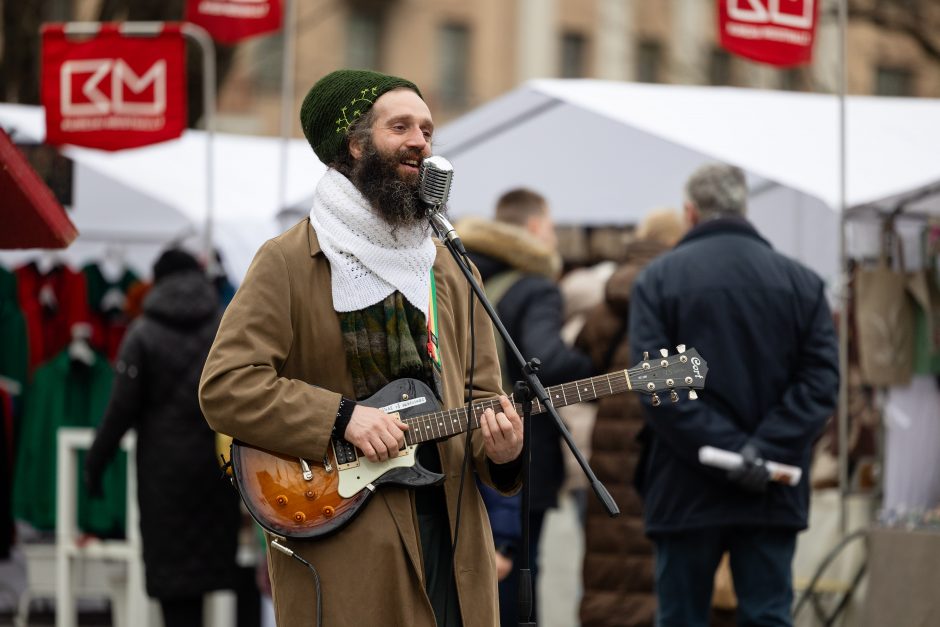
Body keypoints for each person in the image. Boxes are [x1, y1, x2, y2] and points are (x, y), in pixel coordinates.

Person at [199, 69, 524, 627]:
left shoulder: (449, 265)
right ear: (354, 145)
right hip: (341, 535)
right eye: (401, 126)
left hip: (450, 534)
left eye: (426, 129)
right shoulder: (288, 260)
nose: (421, 141)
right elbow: (227, 386)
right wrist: (341, 417)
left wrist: (504, 450)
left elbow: (479, 394)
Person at [628, 163, 839, 627]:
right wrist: (758, 452)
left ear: (690, 212)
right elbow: (821, 384)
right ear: (744, 207)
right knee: (767, 615)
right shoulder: (802, 283)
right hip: (772, 481)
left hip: (686, 482)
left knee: (681, 617)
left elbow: (658, 386)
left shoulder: (658, 280)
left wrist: (727, 450)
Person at [84, 248, 241, 627]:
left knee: (174, 588)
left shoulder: (143, 334)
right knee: (206, 574)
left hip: (163, 476)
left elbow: (120, 410)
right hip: (214, 473)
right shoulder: (222, 329)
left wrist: (95, 465)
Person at [459, 191, 594, 625]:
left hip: (451, 449)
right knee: (518, 589)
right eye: (552, 227)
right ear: (535, 228)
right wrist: (593, 366)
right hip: (518, 456)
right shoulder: (535, 287)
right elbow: (547, 360)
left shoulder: (459, 275)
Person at [576, 208, 685, 627]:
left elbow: (585, 352)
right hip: (659, 437)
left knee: (610, 551)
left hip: (608, 443)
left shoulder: (614, 292)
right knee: (650, 555)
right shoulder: (679, 292)